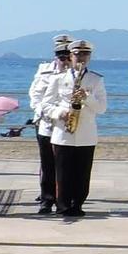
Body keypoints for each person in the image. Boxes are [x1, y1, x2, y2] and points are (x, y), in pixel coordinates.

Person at [45, 38, 106, 218]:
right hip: (64, 131)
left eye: (85, 54)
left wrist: (86, 97)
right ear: (71, 56)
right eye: (77, 54)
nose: (81, 58)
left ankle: (77, 204)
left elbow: (102, 108)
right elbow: (46, 104)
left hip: (86, 132)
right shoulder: (58, 79)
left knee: (82, 172)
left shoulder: (96, 79)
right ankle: (63, 206)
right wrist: (60, 113)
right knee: (62, 172)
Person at [27, 37, 71, 214]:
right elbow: (35, 97)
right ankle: (47, 199)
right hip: (47, 123)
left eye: (68, 57)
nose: (65, 61)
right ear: (56, 57)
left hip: (67, 125)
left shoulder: (76, 74)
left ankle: (64, 199)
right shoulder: (45, 72)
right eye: (62, 58)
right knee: (47, 164)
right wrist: (47, 113)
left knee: (65, 164)